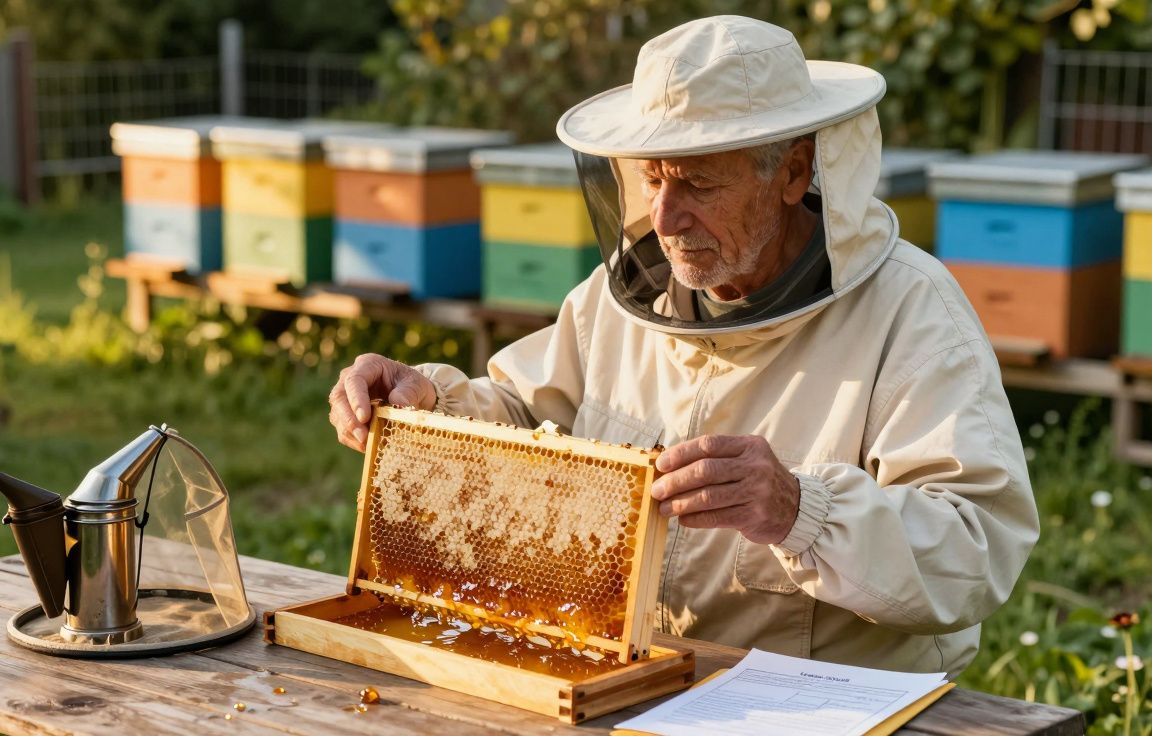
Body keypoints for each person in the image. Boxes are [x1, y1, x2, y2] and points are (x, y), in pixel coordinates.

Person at [327, 15, 1038, 675]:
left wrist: (800, 508)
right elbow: (523, 411)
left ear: (792, 172)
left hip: (829, 702)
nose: (666, 217)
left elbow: (978, 549)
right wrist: (432, 405)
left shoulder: (912, 313)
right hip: (635, 679)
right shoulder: (621, 299)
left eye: (698, 182)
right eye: (654, 178)